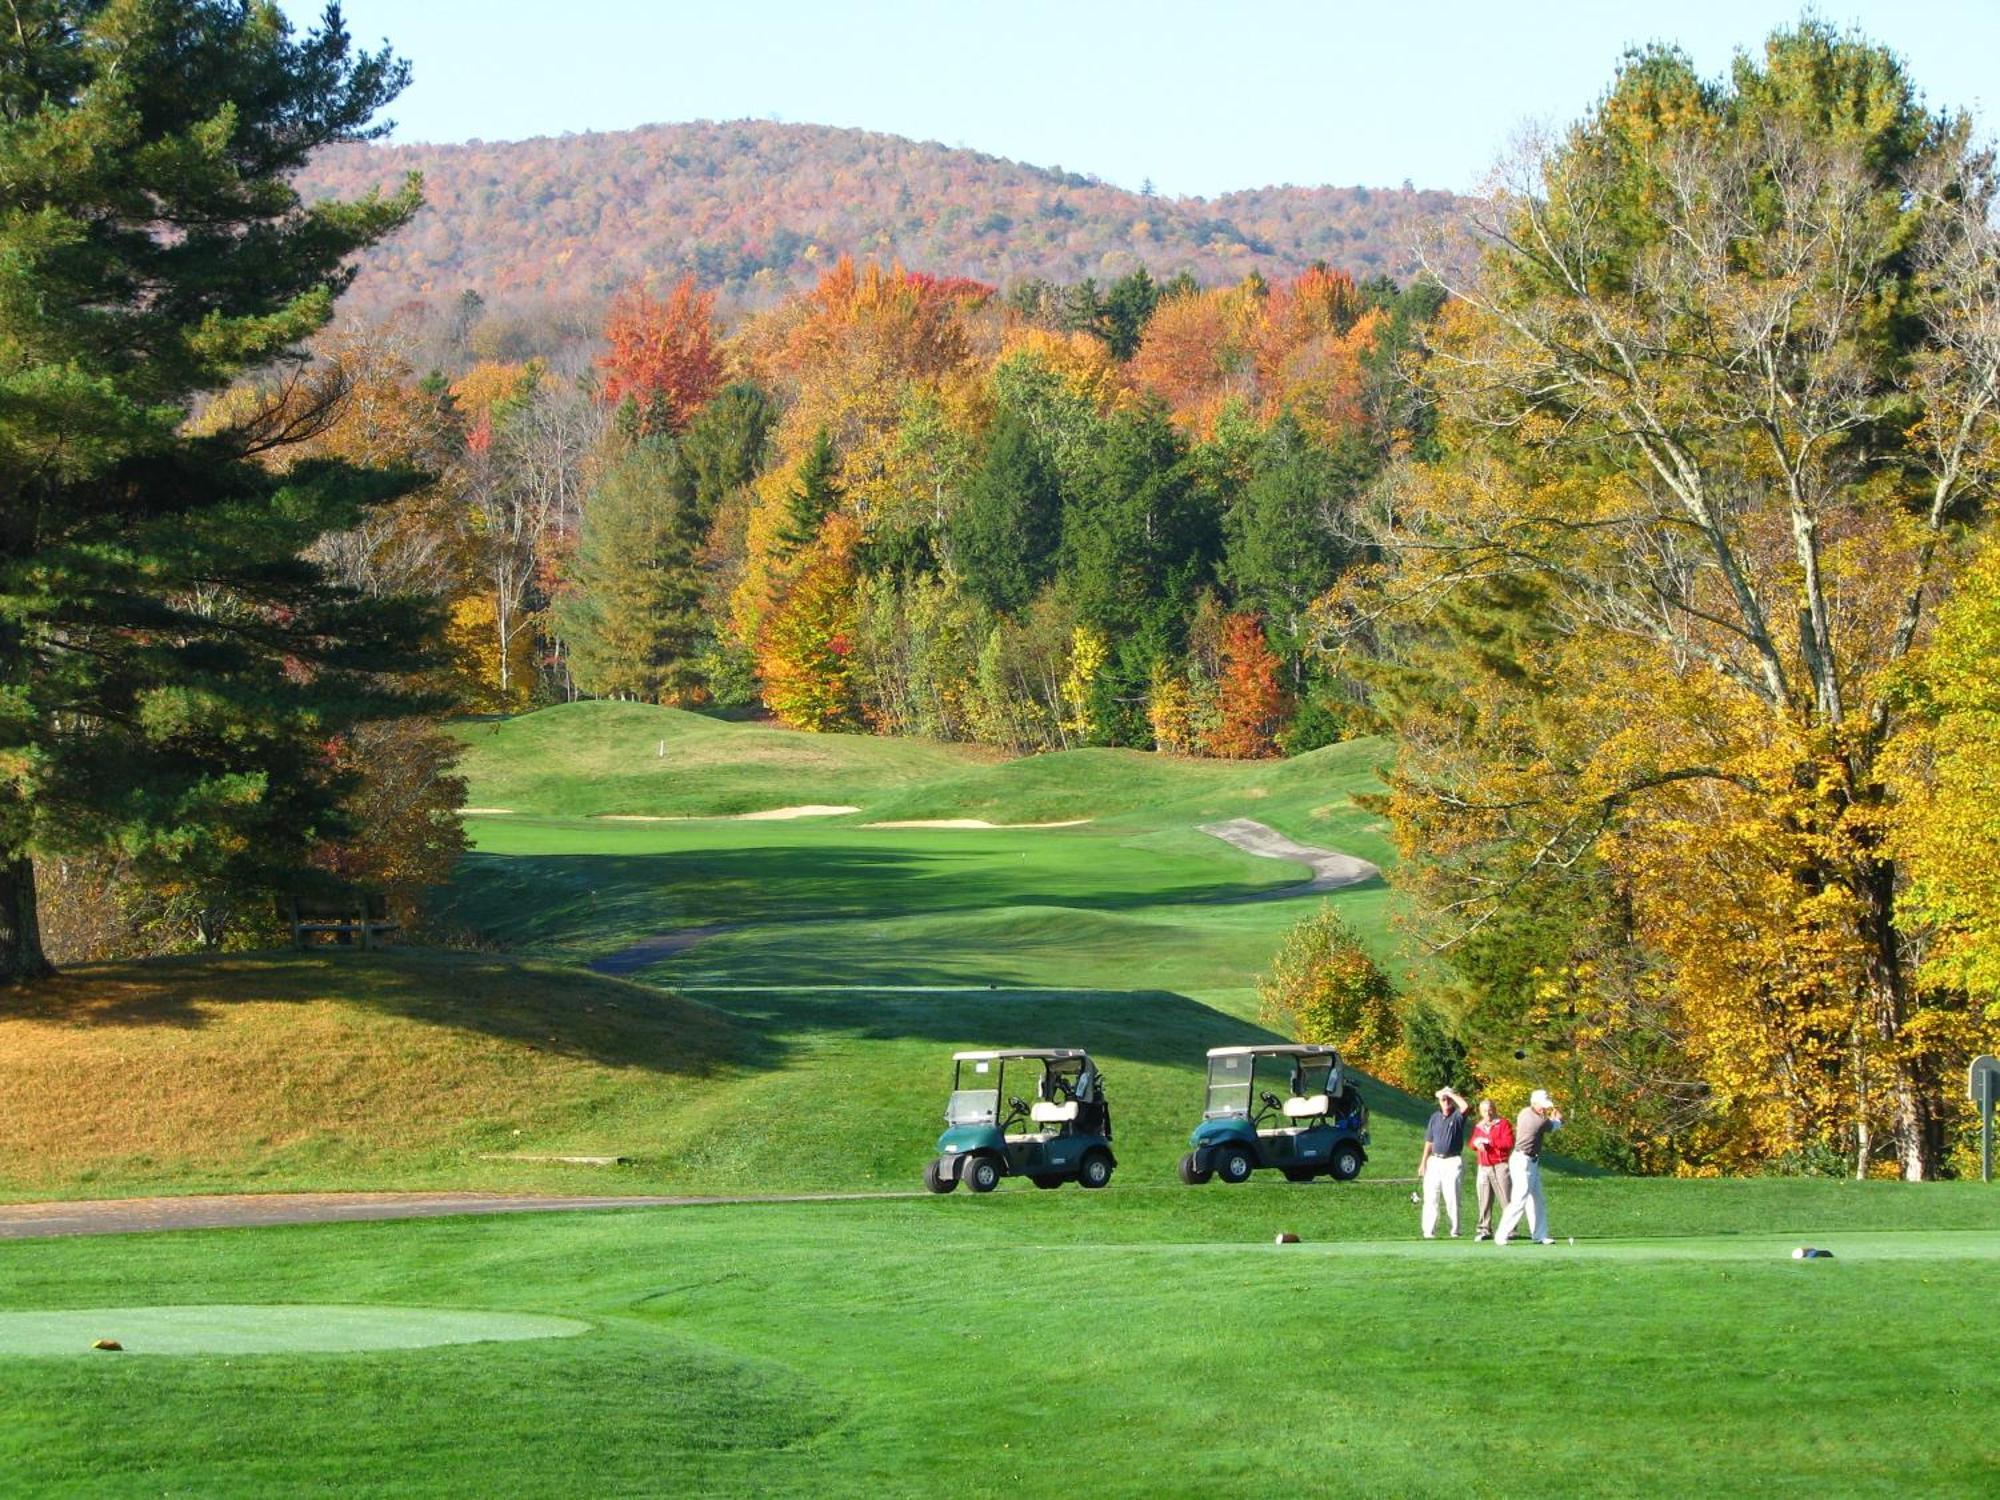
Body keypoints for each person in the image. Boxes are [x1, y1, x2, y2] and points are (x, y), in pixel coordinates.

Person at [1494, 1089, 1563, 1246]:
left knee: (1538, 1199)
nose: (1544, 1109)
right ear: (1534, 1103)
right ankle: (1501, 1234)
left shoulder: (1524, 1112)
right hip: (1522, 1161)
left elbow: (1547, 1120)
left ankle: (1539, 1235)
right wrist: (1558, 1119)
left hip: (1531, 1162)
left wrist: (1551, 1116)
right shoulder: (1537, 1120)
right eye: (1542, 1106)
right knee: (1519, 1200)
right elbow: (1553, 1126)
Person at [1416, 1087, 1468, 1238]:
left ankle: (1455, 1231)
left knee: (1452, 1196)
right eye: (1443, 1099)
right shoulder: (1435, 1117)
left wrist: (1450, 1094)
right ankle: (1429, 1230)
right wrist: (1423, 1162)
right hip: (1435, 1160)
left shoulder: (1457, 1116)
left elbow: (1465, 1106)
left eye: (1448, 1099)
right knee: (1431, 1197)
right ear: (1439, 1101)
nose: (1446, 1102)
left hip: (1452, 1160)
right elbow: (1429, 1141)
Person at [1469, 1097, 1513, 1241]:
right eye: (1484, 1111)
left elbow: (1508, 1143)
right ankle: (1484, 1229)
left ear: (1495, 1110)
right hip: (1484, 1166)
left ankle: (1510, 1229)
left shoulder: (1503, 1124)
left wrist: (1490, 1142)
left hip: (1500, 1165)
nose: (1488, 1113)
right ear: (1481, 1112)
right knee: (1484, 1199)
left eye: (1490, 1110)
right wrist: (1477, 1144)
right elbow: (1471, 1143)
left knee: (1505, 1197)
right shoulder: (1479, 1126)